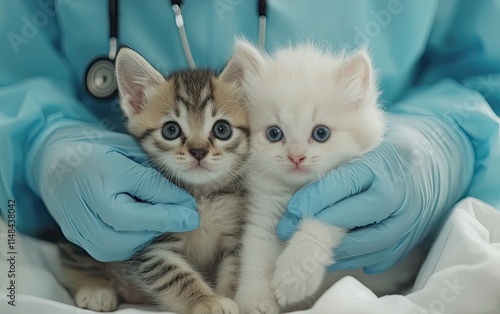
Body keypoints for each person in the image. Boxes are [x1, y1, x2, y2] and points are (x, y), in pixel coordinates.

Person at [0, 0, 498, 275]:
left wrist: (448, 140)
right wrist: (41, 145)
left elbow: (487, 71)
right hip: (91, 234)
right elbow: (9, 79)